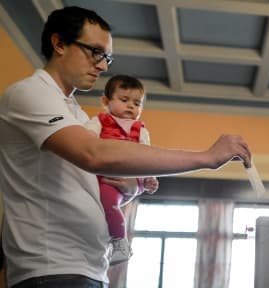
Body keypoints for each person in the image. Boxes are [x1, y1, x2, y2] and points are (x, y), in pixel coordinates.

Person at [0, 6, 251, 288]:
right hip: (52, 269)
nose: (104, 66)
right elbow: (94, 155)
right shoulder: (29, 93)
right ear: (59, 43)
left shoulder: (76, 114)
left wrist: (130, 190)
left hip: (87, 268)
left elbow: (92, 179)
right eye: (95, 52)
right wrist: (206, 157)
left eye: (107, 57)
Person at [84, 75, 159, 265]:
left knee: (110, 204)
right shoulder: (99, 121)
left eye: (137, 103)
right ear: (105, 101)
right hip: (108, 176)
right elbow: (86, 140)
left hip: (132, 173)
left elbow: (147, 154)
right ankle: (118, 240)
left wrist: (149, 177)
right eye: (124, 100)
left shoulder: (140, 129)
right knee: (108, 203)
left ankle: (120, 243)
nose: (131, 106)